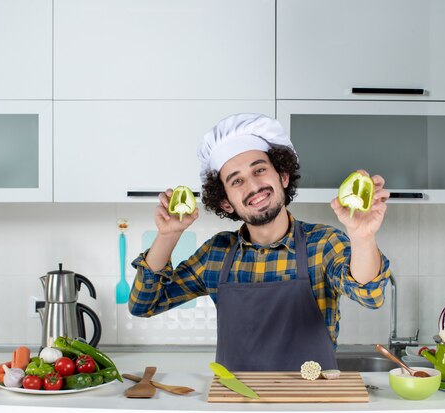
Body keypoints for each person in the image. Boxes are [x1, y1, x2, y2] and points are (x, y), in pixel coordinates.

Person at [129, 113, 392, 371]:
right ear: (226, 203)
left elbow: (371, 295)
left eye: (260, 170)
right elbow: (144, 305)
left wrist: (362, 236)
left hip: (312, 402)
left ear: (283, 177)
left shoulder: (322, 244)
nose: (254, 186)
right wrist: (167, 236)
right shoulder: (216, 254)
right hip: (238, 403)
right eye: (237, 181)